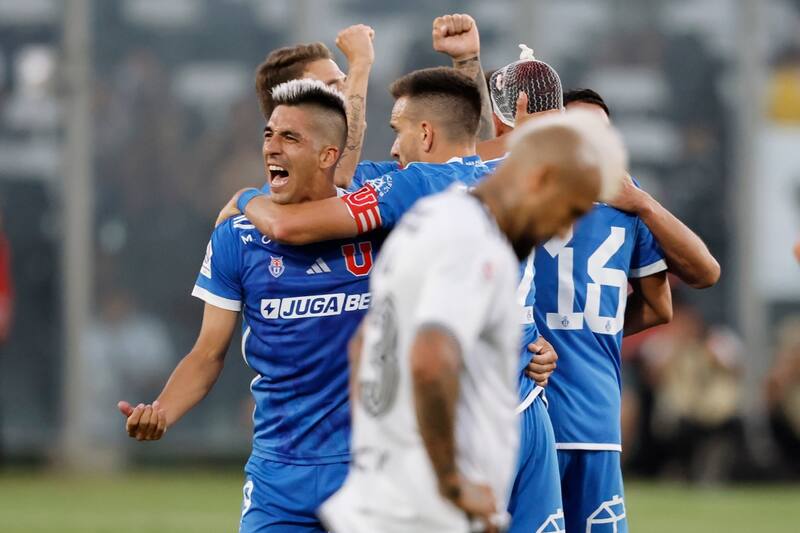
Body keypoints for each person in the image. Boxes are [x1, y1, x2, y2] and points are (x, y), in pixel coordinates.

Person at [320, 110, 627, 533]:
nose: (564, 229)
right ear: (541, 180)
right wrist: (451, 481)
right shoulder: (476, 242)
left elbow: (363, 348)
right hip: (428, 511)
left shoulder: (432, 217)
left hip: (387, 495)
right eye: (571, 210)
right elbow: (431, 357)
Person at [119, 79, 384, 533]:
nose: (272, 149)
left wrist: (530, 341)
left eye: (290, 137)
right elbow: (207, 353)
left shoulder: (381, 221)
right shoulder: (235, 238)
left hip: (374, 469)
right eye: (269, 135)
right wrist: (163, 410)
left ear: (327, 156)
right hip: (278, 472)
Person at [531, 88, 720, 533]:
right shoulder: (514, 191)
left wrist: (644, 204)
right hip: (529, 410)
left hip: (593, 416)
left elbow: (674, 296)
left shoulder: (626, 205)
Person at [254, 25, 376, 188]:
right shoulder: (279, 193)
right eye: (332, 87)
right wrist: (360, 63)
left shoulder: (367, 176)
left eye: (346, 83)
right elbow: (336, 177)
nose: (348, 95)